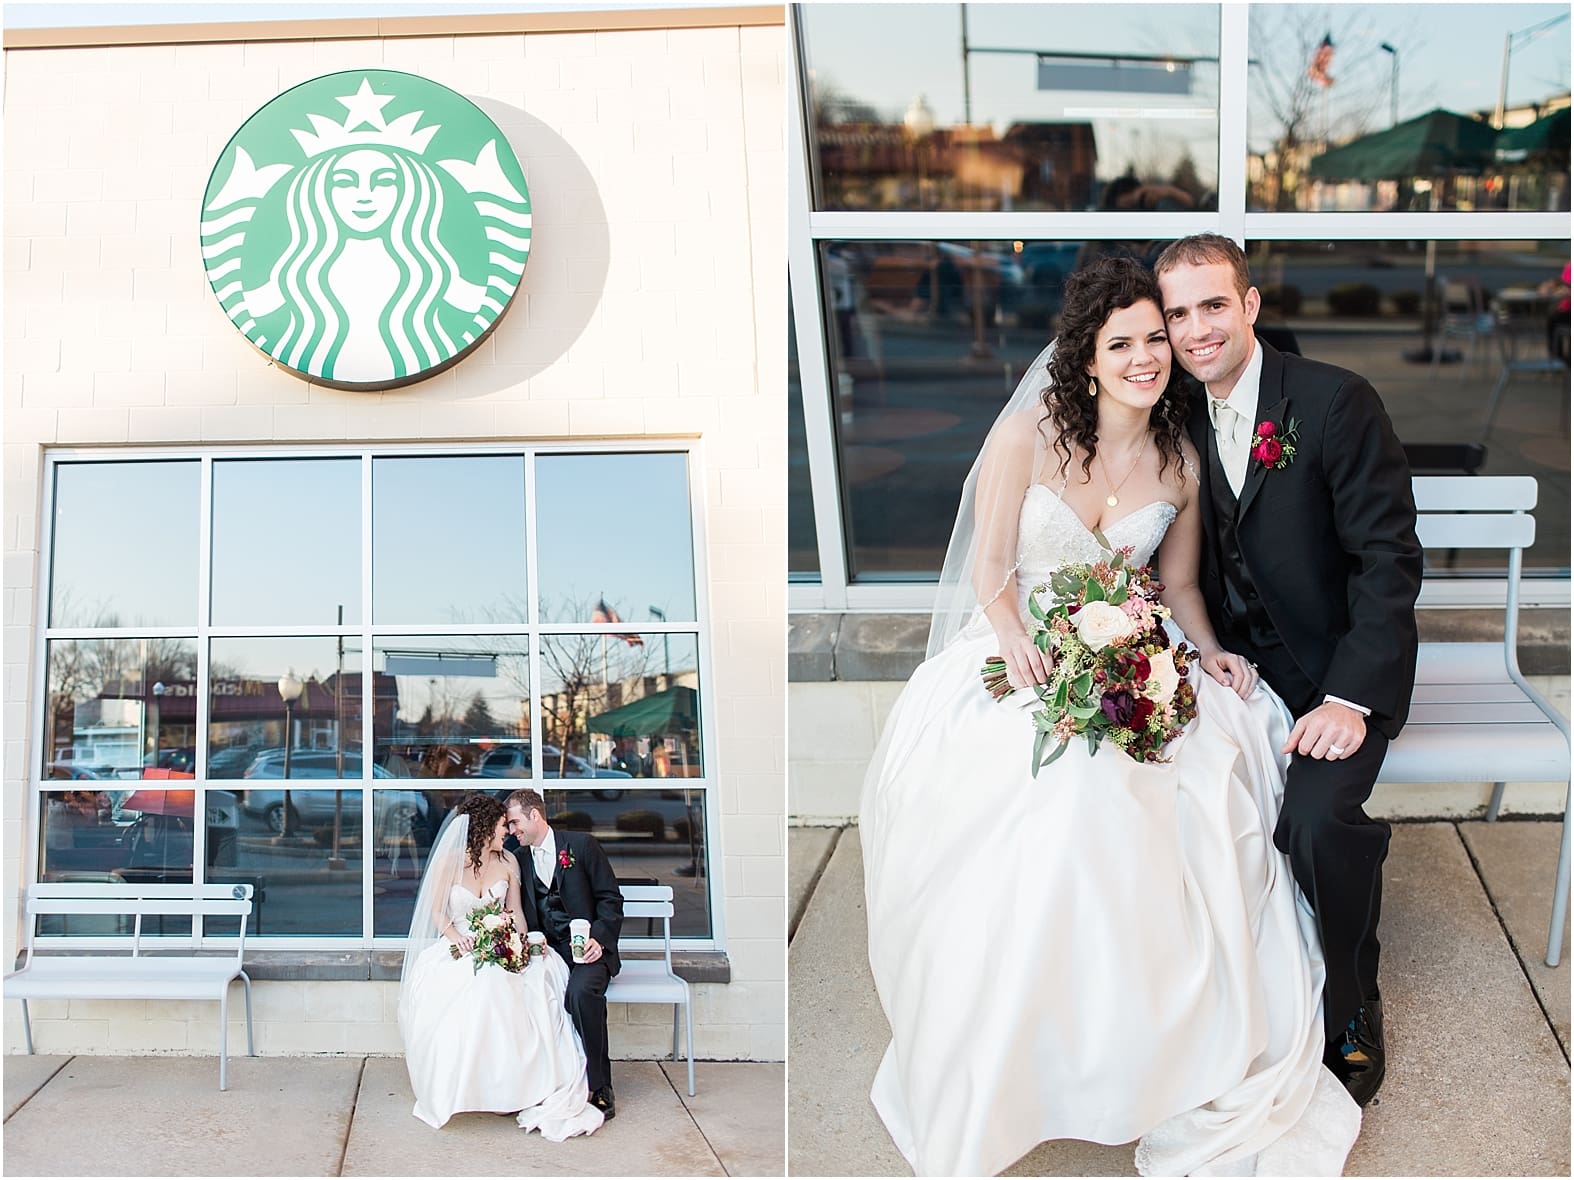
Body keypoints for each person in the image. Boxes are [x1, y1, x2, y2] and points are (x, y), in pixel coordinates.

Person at [862, 256, 1364, 1176]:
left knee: (1202, 778)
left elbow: (1173, 583)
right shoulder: (1025, 436)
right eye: (1120, 343)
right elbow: (992, 568)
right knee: (1043, 803)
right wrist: (1014, 637)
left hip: (1137, 644)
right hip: (1022, 644)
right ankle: (1026, 1048)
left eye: (1153, 340)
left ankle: (1156, 1041)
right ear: (1085, 357)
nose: (1144, 357)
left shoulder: (1178, 455)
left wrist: (1205, 651)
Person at [1154, 233, 1423, 1109]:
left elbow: (1389, 562)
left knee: (1312, 824)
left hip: (1334, 674)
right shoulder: (1172, 417)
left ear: (1251, 305)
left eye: (1213, 305)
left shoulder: (1335, 403)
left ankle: (1352, 1001)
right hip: (1230, 673)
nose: (1197, 330)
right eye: (1178, 313)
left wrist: (1350, 698)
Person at [397, 792, 603, 1137]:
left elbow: (516, 912)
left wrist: (519, 943)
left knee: (526, 980)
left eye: (509, 824)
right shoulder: (449, 862)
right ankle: (471, 1086)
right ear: (481, 828)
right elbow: (437, 912)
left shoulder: (509, 862)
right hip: (460, 944)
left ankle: (514, 1086)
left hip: (500, 943)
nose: (506, 831)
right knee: (477, 988)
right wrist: (455, 937)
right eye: (500, 825)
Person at [505, 788, 624, 1121]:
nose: (513, 831)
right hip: (548, 953)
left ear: (534, 815)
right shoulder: (520, 858)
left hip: (588, 951)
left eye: (515, 823)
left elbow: (611, 900)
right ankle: (540, 1084)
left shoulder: (582, 846)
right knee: (519, 993)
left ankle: (600, 1086)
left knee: (581, 992)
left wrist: (599, 939)